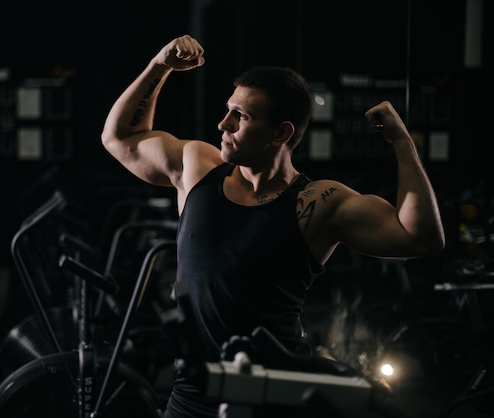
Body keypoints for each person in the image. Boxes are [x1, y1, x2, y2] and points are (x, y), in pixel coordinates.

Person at [101, 34, 445, 418]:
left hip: (275, 392)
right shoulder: (198, 167)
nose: (222, 124)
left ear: (281, 134)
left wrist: (402, 143)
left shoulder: (318, 203)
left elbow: (421, 237)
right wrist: (160, 65)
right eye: (228, 110)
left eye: (241, 117)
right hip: (192, 393)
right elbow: (121, 137)